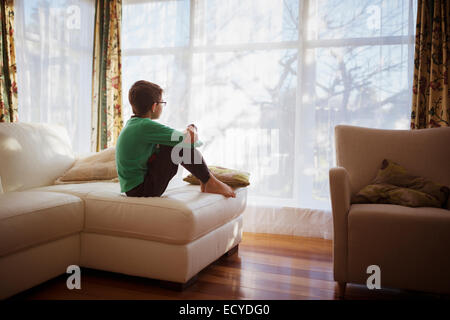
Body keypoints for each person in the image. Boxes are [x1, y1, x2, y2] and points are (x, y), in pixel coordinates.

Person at [116, 80, 236, 198]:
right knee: (177, 146)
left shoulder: (133, 124)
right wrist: (192, 129)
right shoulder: (145, 126)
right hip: (143, 189)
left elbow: (175, 137)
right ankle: (210, 181)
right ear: (154, 106)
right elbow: (190, 141)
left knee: (170, 143)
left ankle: (206, 180)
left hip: (133, 189)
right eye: (162, 103)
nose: (163, 106)